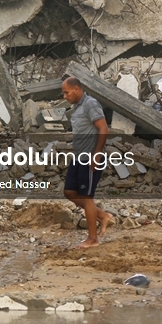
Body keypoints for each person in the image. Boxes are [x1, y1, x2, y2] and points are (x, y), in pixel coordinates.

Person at [61, 77, 114, 249]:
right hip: (79, 157)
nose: (65, 96)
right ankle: (103, 216)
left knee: (87, 196)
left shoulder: (91, 104)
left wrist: (97, 154)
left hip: (90, 157)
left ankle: (93, 239)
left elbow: (104, 129)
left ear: (76, 89)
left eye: (67, 92)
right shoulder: (77, 107)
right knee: (69, 191)